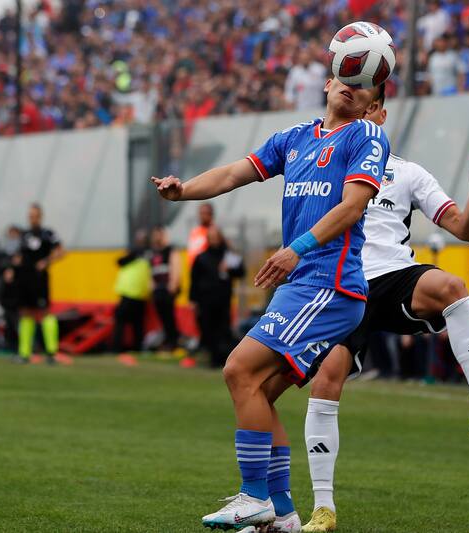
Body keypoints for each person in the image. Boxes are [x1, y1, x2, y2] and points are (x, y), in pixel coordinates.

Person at [266, 94, 469, 532]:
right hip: (340, 281)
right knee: (325, 386)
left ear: (381, 115)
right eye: (356, 104)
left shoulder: (408, 173)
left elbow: (464, 229)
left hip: (391, 276)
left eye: (370, 106)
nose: (361, 114)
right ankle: (323, 511)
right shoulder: (325, 159)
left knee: (452, 287)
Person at [151, 71, 390, 532]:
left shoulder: (366, 135)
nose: (352, 87)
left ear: (368, 103)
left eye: (365, 86)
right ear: (327, 82)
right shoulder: (294, 138)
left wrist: (295, 249)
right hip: (304, 285)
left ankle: (254, 496)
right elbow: (232, 174)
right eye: (346, 76)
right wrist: (185, 190)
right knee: (258, 390)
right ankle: (282, 512)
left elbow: (352, 208)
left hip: (330, 285)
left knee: (238, 369)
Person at [14, 204, 65, 364]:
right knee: (25, 313)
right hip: (24, 279)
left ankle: (51, 353)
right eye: (30, 215)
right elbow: (19, 255)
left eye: (35, 215)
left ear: (40, 216)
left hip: (39, 279)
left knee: (45, 313)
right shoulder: (24, 234)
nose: (32, 218)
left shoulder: (48, 233)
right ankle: (24, 354)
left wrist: (46, 261)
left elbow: (61, 252)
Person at [189, 226, 244, 368]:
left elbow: (241, 271)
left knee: (223, 329)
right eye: (211, 237)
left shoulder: (228, 255)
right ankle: (213, 358)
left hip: (223, 299)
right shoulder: (201, 257)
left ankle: (223, 358)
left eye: (216, 236)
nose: (213, 239)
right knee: (208, 328)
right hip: (205, 300)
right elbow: (194, 280)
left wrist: (229, 269)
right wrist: (193, 300)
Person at [111, 230, 151, 354]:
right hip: (135, 293)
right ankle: (133, 348)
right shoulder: (145, 254)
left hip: (133, 293)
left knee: (126, 323)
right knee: (135, 324)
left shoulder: (137, 253)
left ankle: (119, 348)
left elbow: (120, 261)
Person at [149, 226, 181, 351]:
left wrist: (173, 284)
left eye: (159, 234)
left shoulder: (170, 250)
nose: (156, 237)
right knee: (162, 317)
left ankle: (173, 342)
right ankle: (168, 340)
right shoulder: (153, 252)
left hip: (167, 289)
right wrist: (152, 287)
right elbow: (151, 270)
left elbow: (176, 267)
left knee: (169, 317)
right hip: (158, 290)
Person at [187, 202, 215, 267]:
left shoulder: (214, 232)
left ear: (211, 214)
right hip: (195, 270)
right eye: (201, 213)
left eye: (205, 213)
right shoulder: (195, 231)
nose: (202, 216)